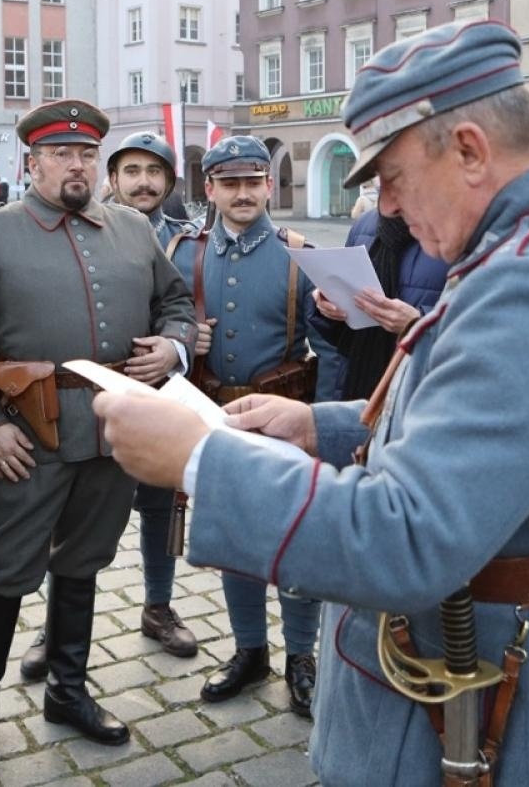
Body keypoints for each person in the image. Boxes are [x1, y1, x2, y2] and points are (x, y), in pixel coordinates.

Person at [94, 20, 529, 786]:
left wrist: (199, 460)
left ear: (469, 149)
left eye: (392, 176)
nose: (387, 207)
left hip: (506, 697)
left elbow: (408, 539)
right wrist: (319, 424)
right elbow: (483, 434)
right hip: (518, 655)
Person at [0, 100, 197, 776]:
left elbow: (175, 304)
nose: (75, 165)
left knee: (83, 562)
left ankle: (68, 693)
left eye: (86, 154)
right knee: (4, 569)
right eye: (61, 154)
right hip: (28, 432)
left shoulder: (134, 228)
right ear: (34, 163)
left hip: (114, 430)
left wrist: (172, 348)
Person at [12, 131, 199, 672]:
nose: (144, 182)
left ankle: (158, 607)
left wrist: (176, 345)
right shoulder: (84, 227)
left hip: (160, 403)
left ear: (169, 181)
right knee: (72, 525)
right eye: (132, 171)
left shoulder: (193, 239)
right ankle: (56, 628)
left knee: (162, 513)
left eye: (155, 172)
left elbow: (181, 307)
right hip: (78, 414)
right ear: (111, 180)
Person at [167, 135, 324, 719]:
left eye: (252, 182)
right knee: (233, 540)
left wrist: (319, 425)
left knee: (296, 540)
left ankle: (301, 658)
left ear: (268, 186)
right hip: (216, 417)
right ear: (208, 188)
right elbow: (162, 325)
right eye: (228, 183)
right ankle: (249, 651)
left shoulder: (298, 252)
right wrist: (185, 339)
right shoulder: (185, 252)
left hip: (284, 418)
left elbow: (328, 348)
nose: (241, 194)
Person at [310, 206, 446, 402]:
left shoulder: (454, 227)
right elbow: (340, 337)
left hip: (421, 389)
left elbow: (478, 325)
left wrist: (419, 324)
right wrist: (327, 304)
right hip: (358, 380)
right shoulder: (364, 224)